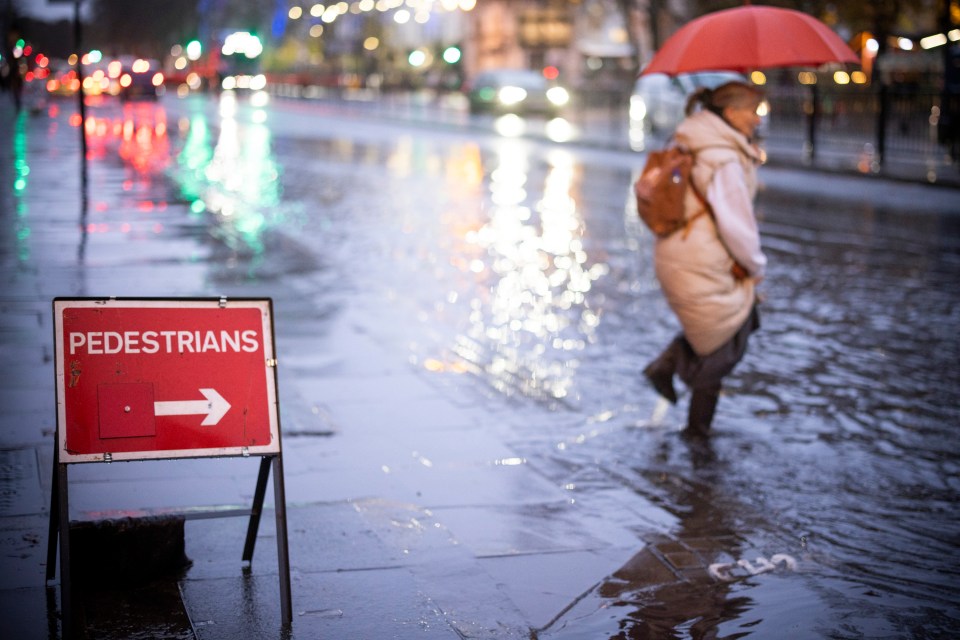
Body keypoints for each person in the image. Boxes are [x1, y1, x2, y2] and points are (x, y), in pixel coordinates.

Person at [642, 81, 767, 438]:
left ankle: (667, 369)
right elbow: (737, 224)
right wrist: (756, 266)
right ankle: (697, 432)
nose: (757, 120)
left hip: (680, 253)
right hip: (700, 258)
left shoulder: (695, 140)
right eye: (751, 111)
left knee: (723, 328)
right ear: (729, 113)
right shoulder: (723, 157)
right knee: (726, 343)